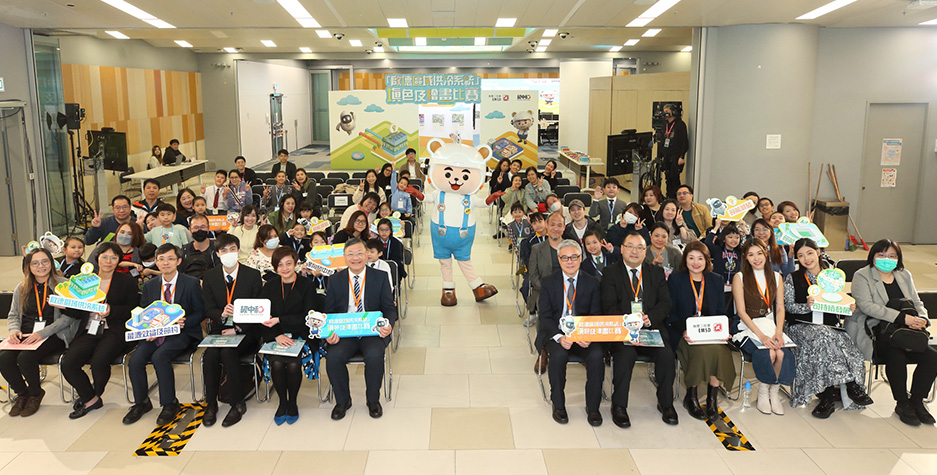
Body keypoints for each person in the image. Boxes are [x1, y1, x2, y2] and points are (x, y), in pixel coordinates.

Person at [849, 239, 936, 426]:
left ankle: (917, 401)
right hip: (876, 329)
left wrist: (922, 319)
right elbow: (867, 306)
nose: (886, 259)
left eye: (891, 256)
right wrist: (902, 318)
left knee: (932, 357)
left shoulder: (904, 275)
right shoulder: (862, 275)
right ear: (873, 256)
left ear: (898, 258)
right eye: (881, 254)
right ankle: (902, 403)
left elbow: (917, 302)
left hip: (906, 330)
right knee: (896, 355)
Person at [784, 238, 872, 418]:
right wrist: (807, 306)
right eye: (801, 255)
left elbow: (838, 303)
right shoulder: (793, 277)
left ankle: (831, 395)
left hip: (829, 326)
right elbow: (788, 307)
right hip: (800, 326)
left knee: (845, 345)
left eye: (810, 253)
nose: (806, 258)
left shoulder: (833, 277)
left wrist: (847, 307)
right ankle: (844, 388)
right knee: (822, 337)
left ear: (818, 252)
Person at [123, 243, 205, 426]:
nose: (165, 263)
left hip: (182, 332)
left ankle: (170, 403)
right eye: (161, 259)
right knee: (135, 360)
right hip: (155, 333)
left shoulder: (190, 283)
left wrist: (185, 321)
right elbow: (144, 312)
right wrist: (147, 329)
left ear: (178, 261)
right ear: (156, 262)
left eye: (170, 259)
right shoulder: (150, 285)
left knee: (160, 357)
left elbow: (201, 312)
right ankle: (141, 402)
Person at [602, 231, 678, 427]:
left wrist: (649, 318)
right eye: (630, 247)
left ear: (646, 251)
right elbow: (608, 305)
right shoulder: (610, 272)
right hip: (624, 329)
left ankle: (666, 404)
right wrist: (629, 321)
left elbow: (665, 303)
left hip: (650, 328)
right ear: (622, 249)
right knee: (624, 355)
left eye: (639, 248)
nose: (634, 251)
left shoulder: (656, 272)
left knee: (666, 355)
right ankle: (619, 406)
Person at [61, 242, 140, 419]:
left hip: (114, 330)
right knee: (68, 363)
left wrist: (112, 310)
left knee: (99, 361)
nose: (108, 261)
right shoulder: (85, 281)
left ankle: (93, 396)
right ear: (97, 258)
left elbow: (133, 309)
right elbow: (77, 312)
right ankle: (91, 397)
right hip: (89, 329)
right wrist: (65, 306)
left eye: (113, 257)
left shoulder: (127, 281)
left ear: (119, 260)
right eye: (104, 257)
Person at [1, 249, 79, 417]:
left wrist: (42, 333)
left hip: (54, 334)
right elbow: (13, 315)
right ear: (28, 266)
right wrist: (14, 331)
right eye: (35, 263)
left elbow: (69, 318)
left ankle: (35, 393)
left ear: (51, 263)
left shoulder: (63, 285)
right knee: (4, 358)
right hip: (26, 334)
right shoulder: (22, 287)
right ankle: (22, 393)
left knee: (25, 357)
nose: (40, 266)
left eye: (45, 261)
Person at [324, 239, 396, 420]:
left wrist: (388, 325)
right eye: (351, 254)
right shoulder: (335, 280)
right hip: (345, 332)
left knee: (374, 355)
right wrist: (329, 333)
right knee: (333, 357)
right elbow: (329, 312)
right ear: (344, 257)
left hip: (371, 331)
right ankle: (343, 401)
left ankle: (373, 400)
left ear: (366, 255)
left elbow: (389, 308)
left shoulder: (380, 277)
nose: (355, 258)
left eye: (359, 253)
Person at [667, 241, 735, 420]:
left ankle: (712, 399)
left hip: (709, 332)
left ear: (707, 261)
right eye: (691, 258)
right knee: (699, 351)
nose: (696, 263)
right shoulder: (676, 279)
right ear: (685, 260)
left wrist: (723, 331)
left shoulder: (716, 280)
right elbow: (670, 312)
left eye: (700, 258)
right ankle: (692, 397)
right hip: (684, 332)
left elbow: (720, 311)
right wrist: (683, 330)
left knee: (720, 351)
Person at [537, 239, 603, 426]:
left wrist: (585, 335)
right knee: (558, 356)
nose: (570, 261)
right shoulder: (548, 283)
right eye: (565, 258)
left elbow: (595, 314)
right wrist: (560, 337)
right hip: (557, 333)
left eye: (574, 257)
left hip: (583, 334)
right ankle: (558, 404)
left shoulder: (592, 283)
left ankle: (593, 407)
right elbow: (545, 316)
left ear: (581, 258)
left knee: (597, 355)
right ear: (558, 259)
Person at [200, 235, 263, 427]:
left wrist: (238, 328)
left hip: (247, 330)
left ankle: (237, 403)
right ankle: (211, 404)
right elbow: (207, 308)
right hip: (220, 329)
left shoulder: (252, 275)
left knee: (228, 353)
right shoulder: (210, 276)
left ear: (238, 250)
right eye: (224, 250)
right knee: (210, 356)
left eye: (233, 249)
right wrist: (221, 314)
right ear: (218, 254)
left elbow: (259, 309)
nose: (229, 253)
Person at [731, 238, 794, 416]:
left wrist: (778, 332)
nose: (756, 258)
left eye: (759, 253)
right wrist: (761, 337)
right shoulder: (740, 277)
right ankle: (762, 393)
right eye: (751, 255)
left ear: (766, 253)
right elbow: (741, 311)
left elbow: (780, 307)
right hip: (746, 325)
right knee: (769, 353)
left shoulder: (776, 277)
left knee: (782, 353)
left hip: (769, 324)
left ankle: (773, 392)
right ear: (745, 257)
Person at [658, 104, 688, 198]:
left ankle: (677, 197)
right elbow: (662, 141)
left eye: (667, 111)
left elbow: (684, 142)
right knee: (667, 177)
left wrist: (682, 156)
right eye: (664, 111)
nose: (665, 113)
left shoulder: (680, 125)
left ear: (673, 112)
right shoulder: (665, 125)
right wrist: (660, 157)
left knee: (674, 177)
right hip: (666, 155)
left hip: (676, 155)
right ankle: (669, 197)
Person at [705, 222, 742, 293]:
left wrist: (744, 229)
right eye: (730, 237)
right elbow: (707, 242)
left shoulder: (739, 251)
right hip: (717, 285)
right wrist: (716, 227)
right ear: (724, 239)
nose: (734, 240)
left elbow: (751, 245)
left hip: (735, 286)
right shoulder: (718, 250)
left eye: (737, 237)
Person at [180, 214, 220, 279]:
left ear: (208, 228)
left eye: (203, 227)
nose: (199, 230)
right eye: (196, 227)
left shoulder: (218, 248)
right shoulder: (184, 251)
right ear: (190, 230)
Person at [376, 218, 406, 284]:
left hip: (393, 270)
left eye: (386, 230)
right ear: (378, 230)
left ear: (390, 231)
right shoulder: (374, 244)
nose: (384, 232)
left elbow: (398, 260)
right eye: (381, 230)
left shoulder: (397, 243)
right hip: (378, 269)